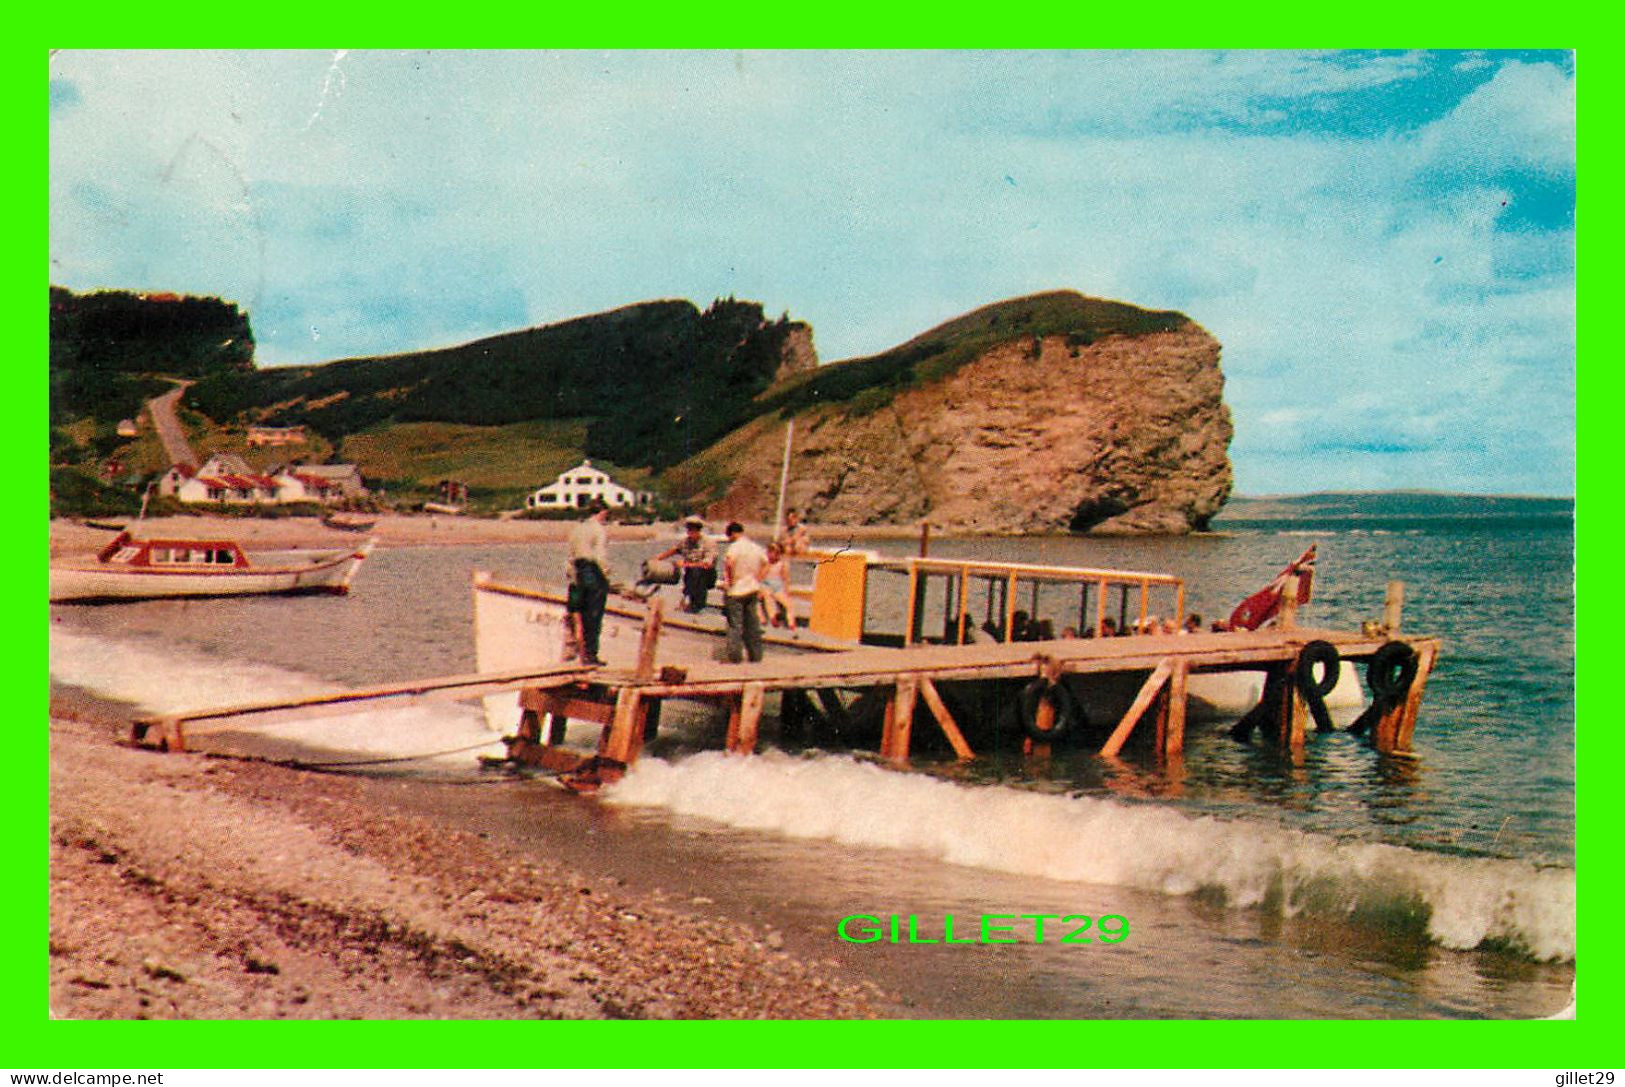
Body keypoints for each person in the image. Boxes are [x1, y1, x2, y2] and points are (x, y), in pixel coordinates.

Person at [568, 500, 612, 665]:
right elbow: (600, 556)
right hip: (592, 571)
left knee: (578, 612)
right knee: (594, 616)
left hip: (578, 571)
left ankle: (579, 652)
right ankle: (591, 655)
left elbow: (571, 554)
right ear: (601, 513)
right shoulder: (598, 530)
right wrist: (607, 576)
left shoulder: (578, 529)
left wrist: (572, 575)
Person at [721, 521, 769, 663]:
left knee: (735, 625)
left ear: (732, 534)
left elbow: (729, 565)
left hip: (736, 590)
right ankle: (755, 656)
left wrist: (729, 582)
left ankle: (735, 657)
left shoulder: (734, 548)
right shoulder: (755, 547)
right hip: (752, 588)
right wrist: (758, 579)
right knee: (752, 624)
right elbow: (766, 564)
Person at [653, 516, 718, 612]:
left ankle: (696, 605)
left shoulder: (708, 543)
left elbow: (707, 564)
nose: (690, 532)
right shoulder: (686, 542)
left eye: (692, 529)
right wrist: (658, 558)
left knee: (696, 572)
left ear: (698, 530)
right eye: (689, 529)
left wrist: (685, 565)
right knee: (690, 573)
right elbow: (674, 550)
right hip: (691, 575)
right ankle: (688, 601)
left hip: (706, 575)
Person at [759, 542, 795, 630]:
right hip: (766, 585)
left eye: (775, 553)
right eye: (770, 552)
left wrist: (786, 590)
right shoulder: (765, 564)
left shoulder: (782, 564)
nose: (772, 555)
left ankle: (791, 623)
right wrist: (768, 565)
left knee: (789, 604)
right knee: (768, 596)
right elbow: (760, 577)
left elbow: (785, 578)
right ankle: (772, 617)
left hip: (777, 586)